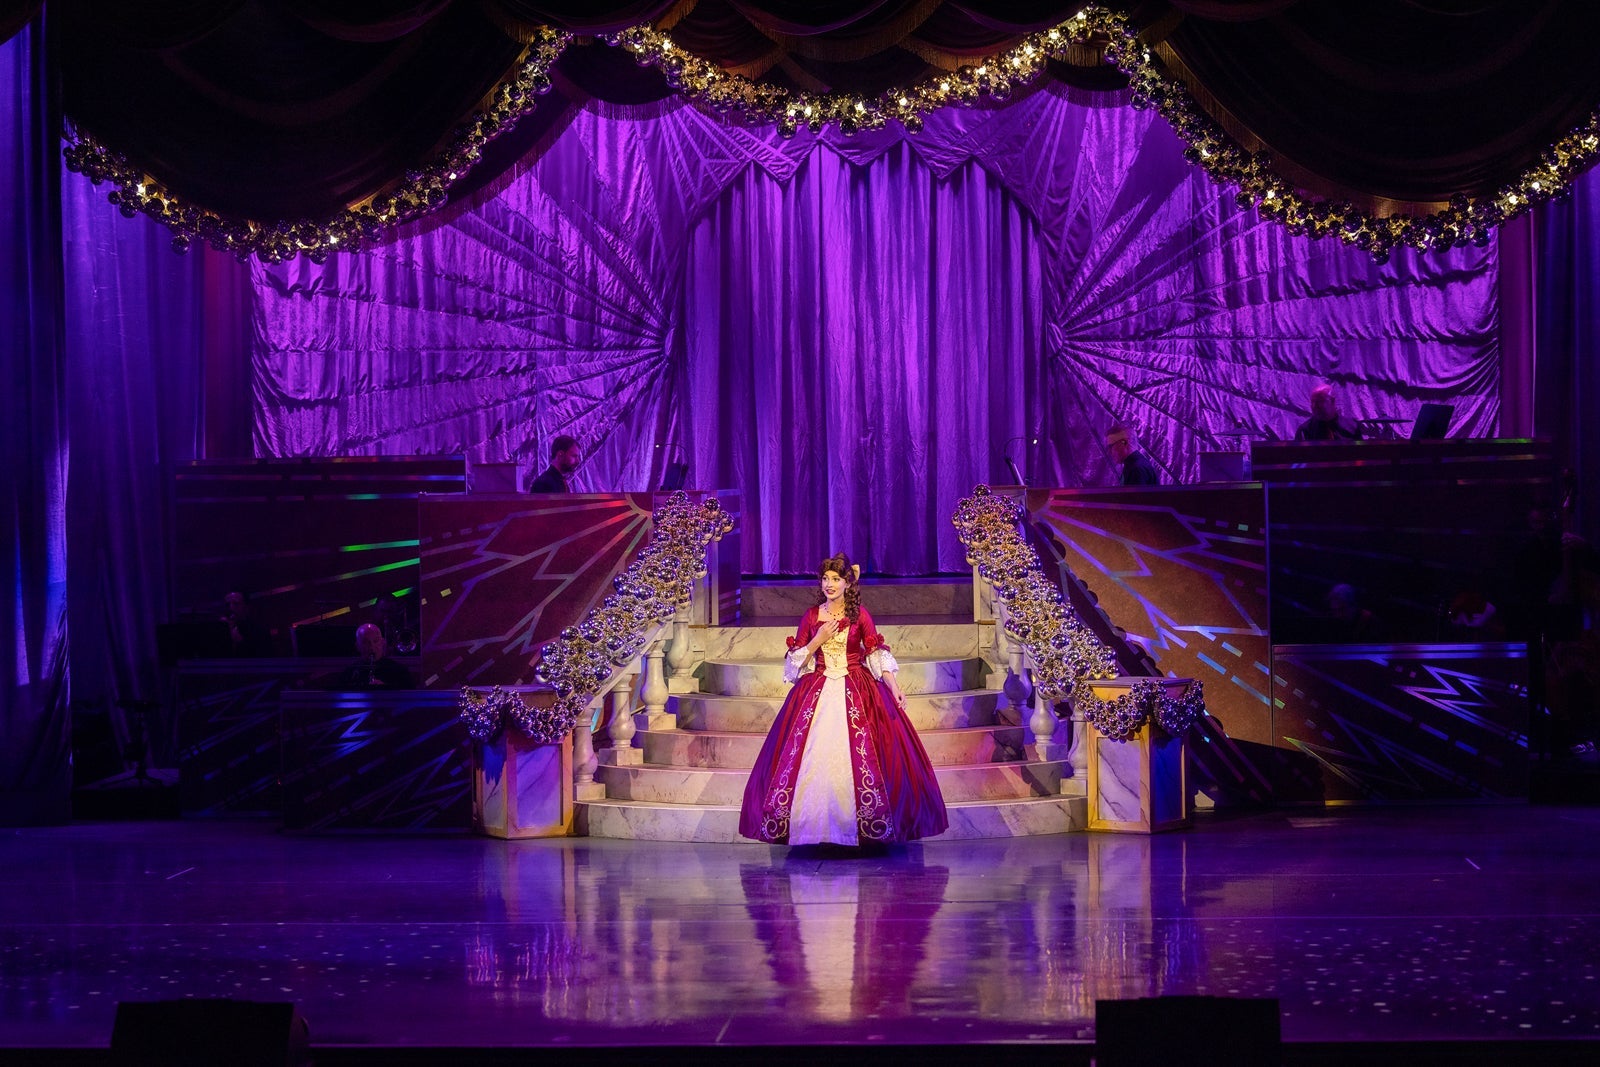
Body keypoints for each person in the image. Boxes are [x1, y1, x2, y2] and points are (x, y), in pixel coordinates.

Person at [739, 552, 948, 847]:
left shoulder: (859, 615)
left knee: (866, 756)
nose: (829, 584)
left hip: (856, 686)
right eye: (825, 579)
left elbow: (875, 652)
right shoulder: (812, 616)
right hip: (818, 686)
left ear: (848, 583)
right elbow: (795, 664)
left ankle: (860, 827)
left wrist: (893, 684)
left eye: (835, 579)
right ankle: (815, 830)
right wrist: (818, 639)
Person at [338, 623, 416, 689]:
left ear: (383, 643)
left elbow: (410, 699)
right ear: (358, 646)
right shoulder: (350, 672)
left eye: (375, 641)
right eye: (366, 642)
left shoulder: (399, 671)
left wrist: (385, 689)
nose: (372, 646)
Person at [1294, 382, 1364, 441]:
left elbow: (1361, 454)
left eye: (1320, 401)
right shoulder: (1305, 431)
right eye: (1313, 402)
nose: (1315, 406)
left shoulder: (1351, 426)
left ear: (1332, 402)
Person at [222, 590, 272, 657]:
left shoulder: (259, 629)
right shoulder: (222, 627)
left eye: (236, 603)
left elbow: (264, 655)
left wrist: (240, 641)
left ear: (246, 606)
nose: (231, 607)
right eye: (227, 604)